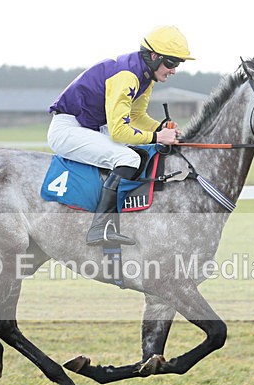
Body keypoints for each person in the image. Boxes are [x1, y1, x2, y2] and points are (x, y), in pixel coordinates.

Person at [48, 25, 194, 246]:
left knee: (141, 151)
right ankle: (99, 228)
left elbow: (136, 116)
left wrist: (162, 129)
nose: (173, 70)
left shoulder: (145, 77)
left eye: (177, 64)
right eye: (171, 63)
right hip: (69, 129)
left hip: (92, 128)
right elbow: (118, 131)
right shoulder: (127, 76)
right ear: (153, 56)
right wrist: (157, 137)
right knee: (129, 158)